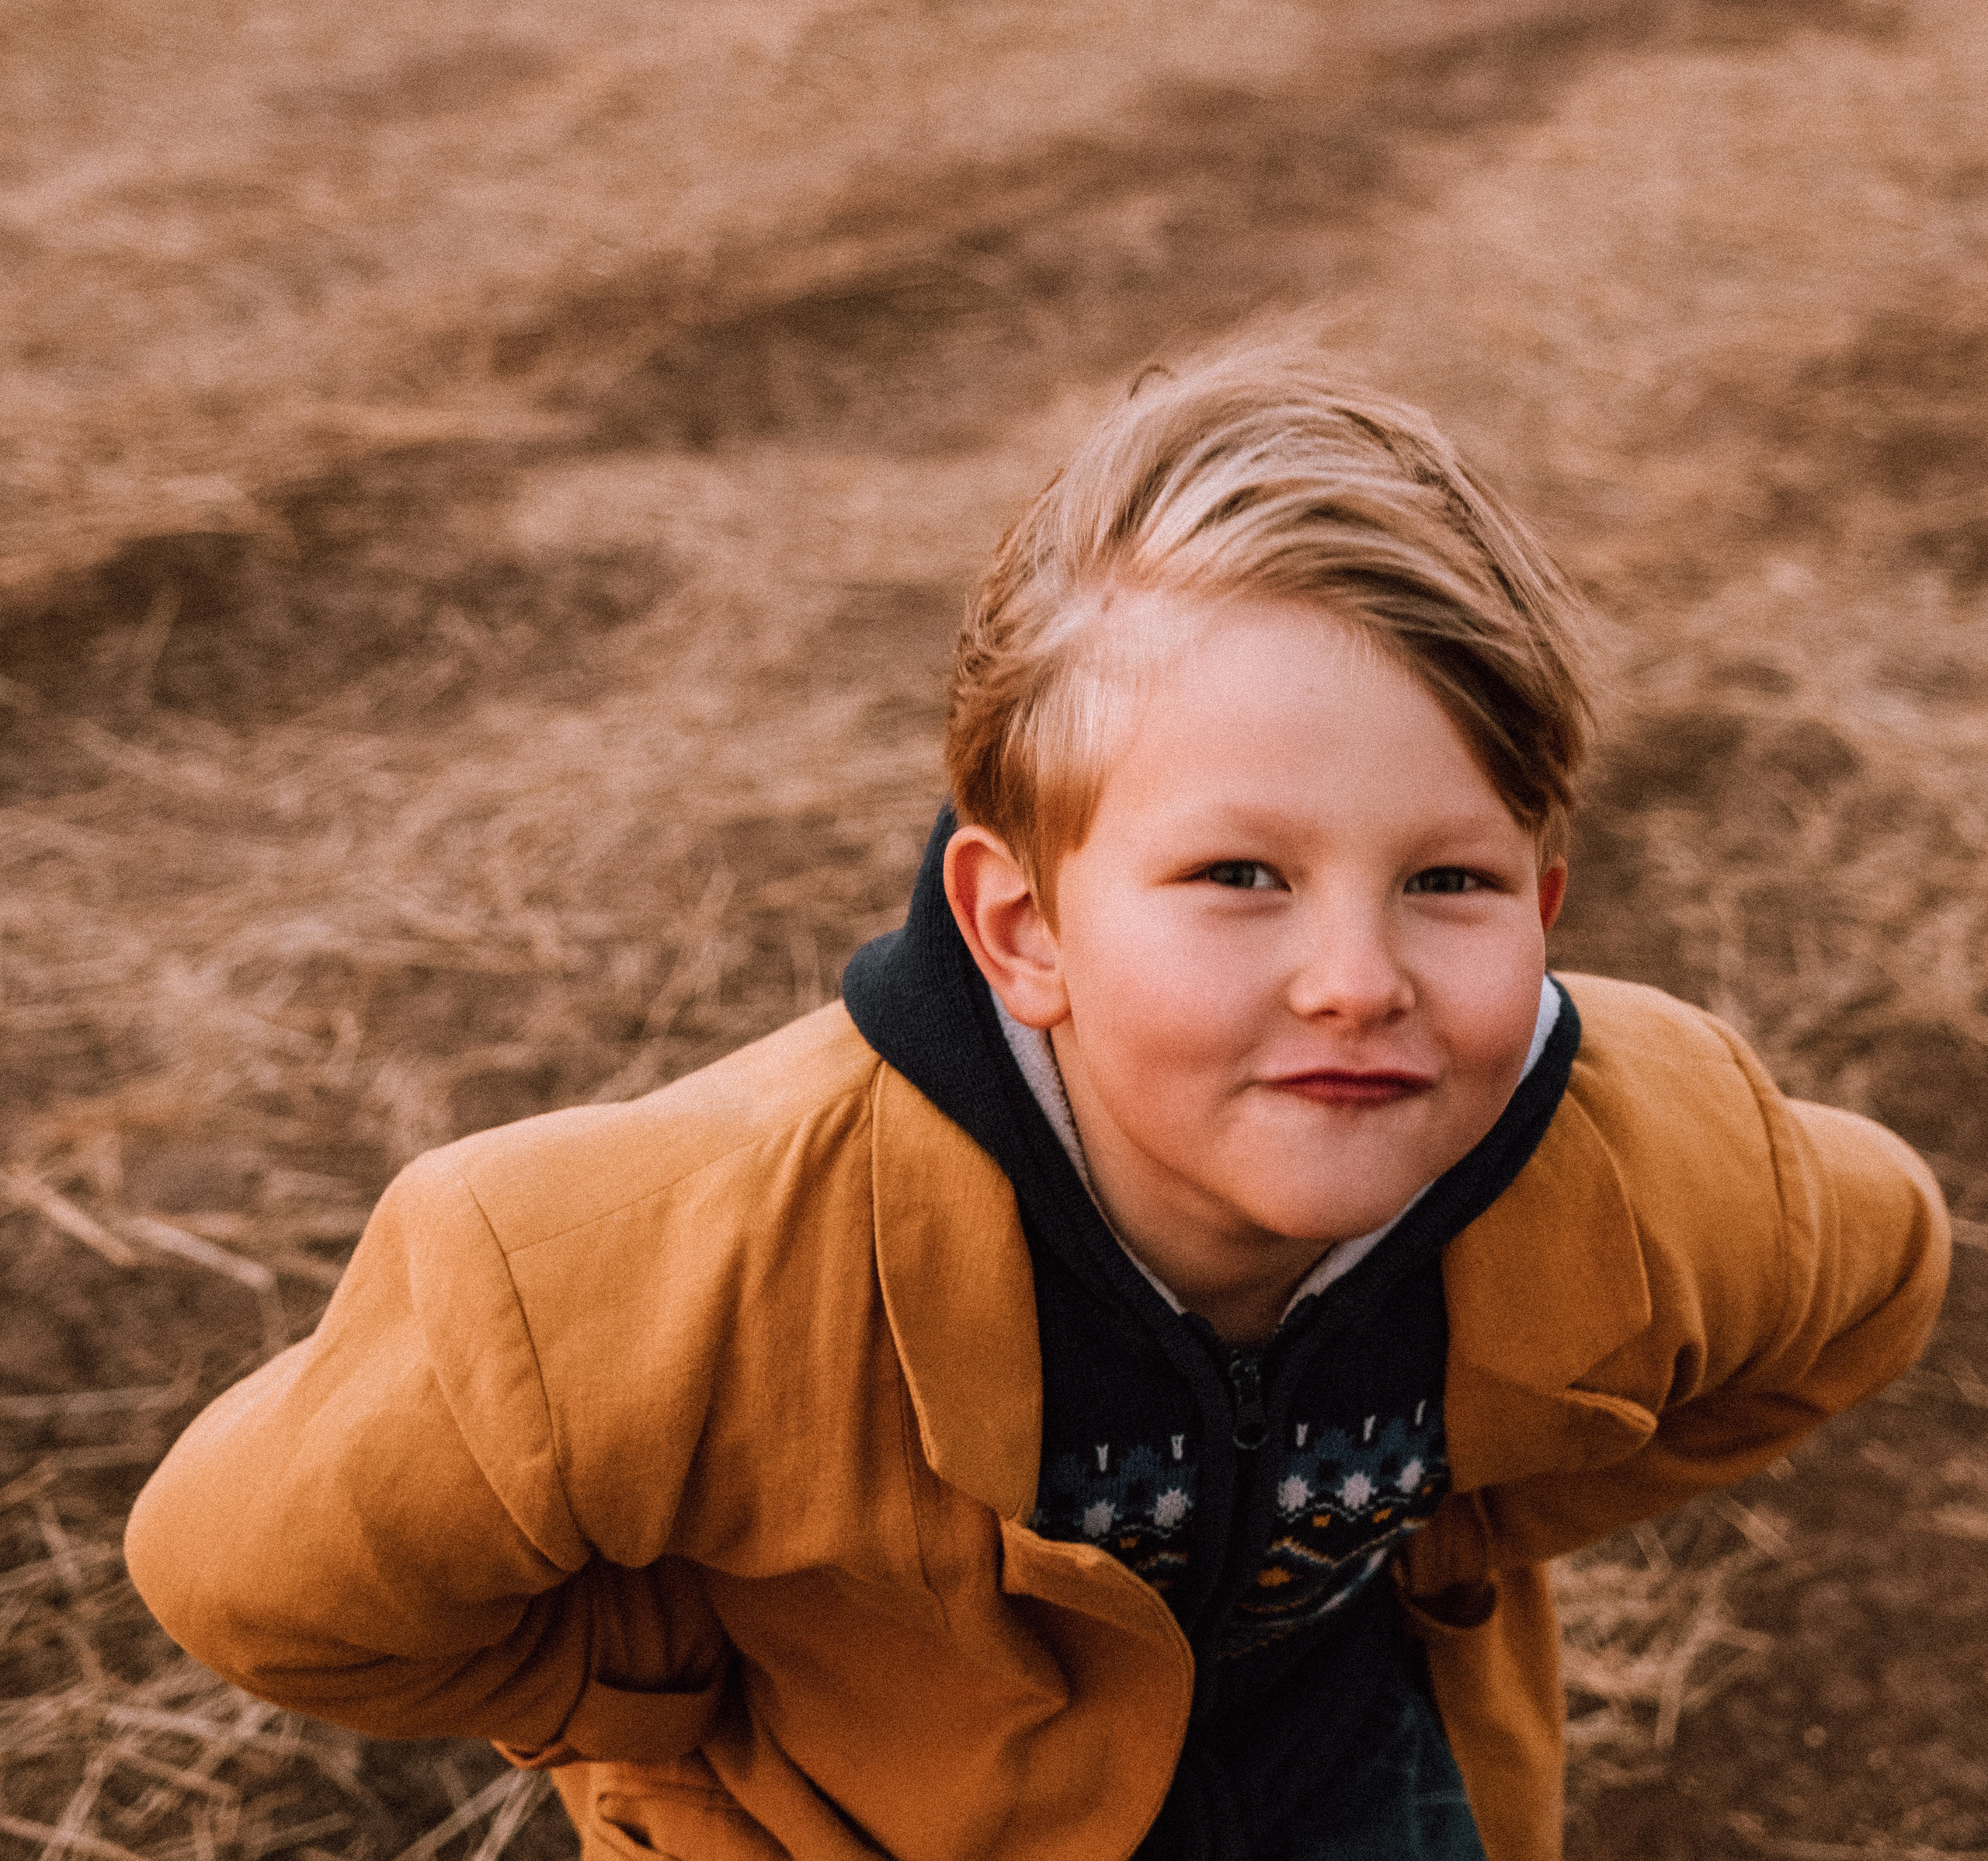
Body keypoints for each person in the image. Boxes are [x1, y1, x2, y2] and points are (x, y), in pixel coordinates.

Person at [126, 347, 1949, 1861]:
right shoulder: (633, 1274)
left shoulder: (1642, 1158)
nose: (1355, 977)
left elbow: (1869, 1280)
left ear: (1542, 911)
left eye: (1446, 882)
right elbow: (248, 1572)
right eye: (1237, 874)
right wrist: (682, 1706)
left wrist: (1446, 1515)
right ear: (1023, 927)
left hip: (1349, 1782)